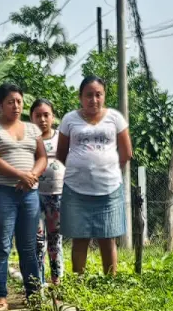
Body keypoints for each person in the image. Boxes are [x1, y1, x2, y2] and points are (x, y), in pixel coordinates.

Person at [0, 83, 46, 311]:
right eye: (10, 101)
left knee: (28, 246)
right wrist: (20, 174)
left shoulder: (32, 129)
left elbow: (42, 157)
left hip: (29, 194)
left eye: (19, 101)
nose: (16, 106)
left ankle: (34, 294)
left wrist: (32, 176)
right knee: (2, 246)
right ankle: (0, 296)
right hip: (1, 194)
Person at [56, 76, 132, 275]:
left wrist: (108, 169)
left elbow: (127, 153)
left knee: (108, 238)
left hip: (109, 189)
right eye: (89, 95)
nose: (94, 100)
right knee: (80, 238)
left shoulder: (115, 118)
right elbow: (61, 152)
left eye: (98, 95)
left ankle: (110, 281)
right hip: (76, 190)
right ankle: (79, 281)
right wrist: (80, 169)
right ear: (80, 97)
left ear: (104, 96)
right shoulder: (69, 119)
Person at [31, 99, 65, 285]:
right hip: (34, 195)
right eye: (38, 115)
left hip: (57, 195)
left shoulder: (61, 137)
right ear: (31, 117)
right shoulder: (28, 139)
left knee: (55, 239)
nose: (42, 119)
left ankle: (56, 280)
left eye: (46, 115)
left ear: (52, 117)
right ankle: (39, 281)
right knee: (37, 240)